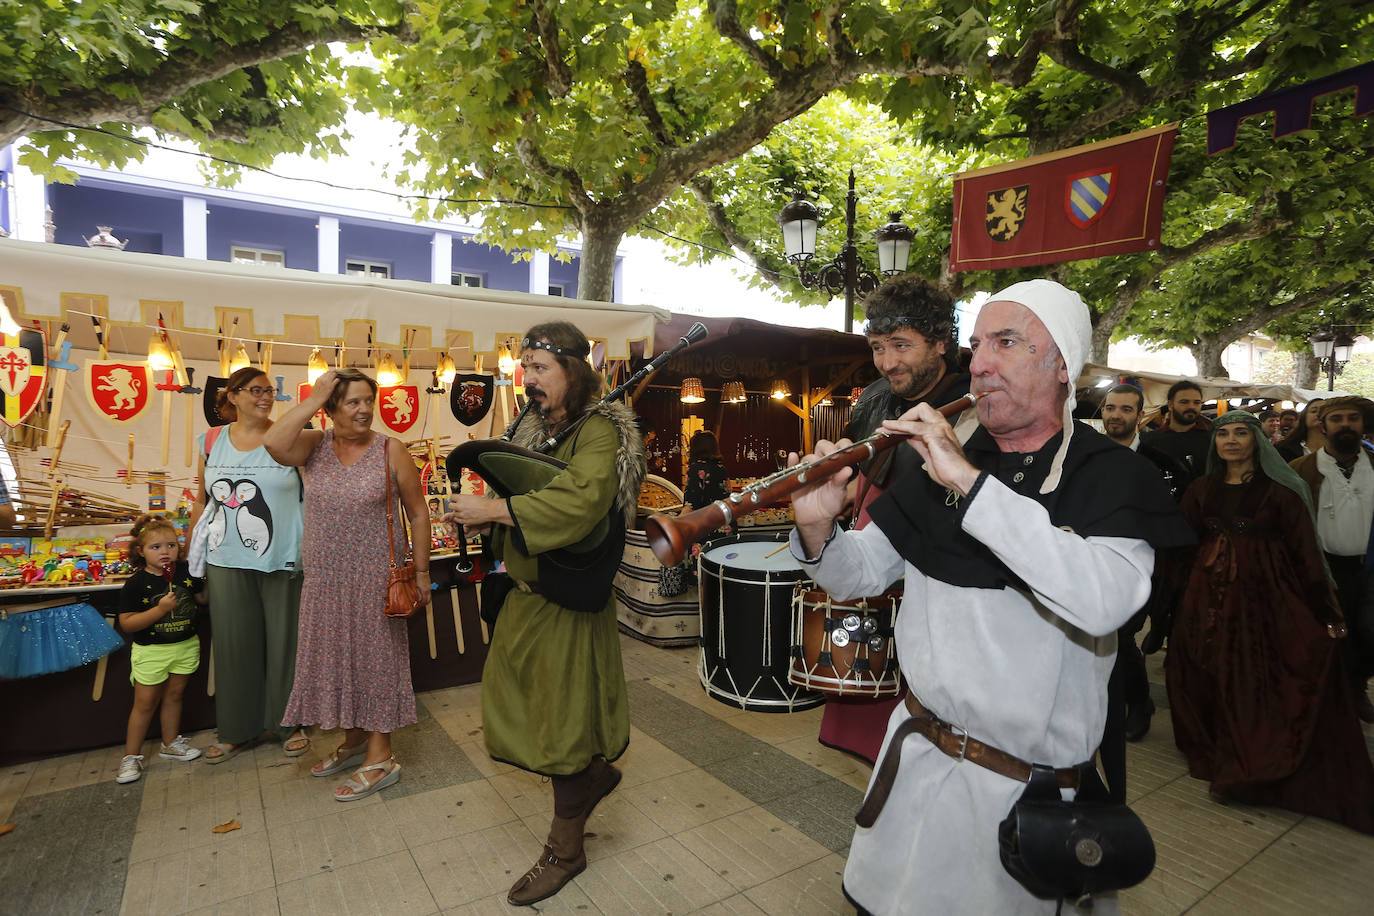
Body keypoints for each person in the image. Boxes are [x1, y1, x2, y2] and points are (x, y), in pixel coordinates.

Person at [789, 280, 1191, 913]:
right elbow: (859, 574)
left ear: (1063, 365)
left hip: (1022, 803)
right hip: (917, 765)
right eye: (977, 344)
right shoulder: (947, 463)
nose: (978, 362)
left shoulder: (1115, 475)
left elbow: (1103, 601)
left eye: (1006, 342)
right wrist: (818, 526)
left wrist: (971, 485)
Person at [443, 321, 646, 907]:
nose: (526, 379)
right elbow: (522, 486)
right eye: (523, 366)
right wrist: (491, 516)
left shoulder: (602, 430)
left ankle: (566, 849)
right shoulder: (532, 426)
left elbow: (581, 503)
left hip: (566, 599)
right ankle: (595, 775)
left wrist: (499, 508)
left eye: (539, 368)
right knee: (521, 705)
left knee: (559, 721)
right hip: (523, 597)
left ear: (573, 371)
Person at [1167, 410, 1374, 833]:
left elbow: (1306, 555)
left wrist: (1325, 611)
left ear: (1256, 441)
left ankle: (1254, 750)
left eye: (1241, 433)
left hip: (1266, 600)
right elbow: (1181, 547)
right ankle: (1215, 740)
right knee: (1205, 669)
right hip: (1206, 600)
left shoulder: (1282, 493)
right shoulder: (1201, 489)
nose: (1231, 440)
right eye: (1223, 433)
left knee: (1254, 674)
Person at [824, 275, 972, 765]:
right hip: (870, 559)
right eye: (878, 347)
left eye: (901, 345)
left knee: (921, 732)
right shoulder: (874, 397)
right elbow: (861, 467)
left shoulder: (971, 406)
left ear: (940, 341)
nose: (888, 362)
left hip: (929, 571)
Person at [266, 368, 430, 801]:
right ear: (331, 408)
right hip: (325, 579)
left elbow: (417, 512)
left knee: (376, 665)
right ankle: (356, 741)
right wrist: (313, 398)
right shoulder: (314, 445)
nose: (363, 409)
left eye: (367, 401)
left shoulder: (390, 449)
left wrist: (423, 572)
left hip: (376, 579)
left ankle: (381, 757)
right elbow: (274, 443)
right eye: (352, 401)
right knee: (337, 659)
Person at [190, 365, 308, 765]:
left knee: (284, 643)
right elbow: (201, 503)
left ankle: (288, 723)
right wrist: (195, 564)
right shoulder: (210, 441)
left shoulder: (290, 440)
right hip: (225, 558)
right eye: (255, 390)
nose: (265, 397)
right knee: (234, 644)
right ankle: (236, 730)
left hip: (283, 557)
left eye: (270, 391)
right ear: (233, 396)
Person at [1288, 396, 1374, 722]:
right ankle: (1331, 696)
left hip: (1370, 567)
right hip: (1322, 568)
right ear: (1323, 426)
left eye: (1353, 418)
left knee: (1369, 634)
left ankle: (1356, 686)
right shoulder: (1299, 470)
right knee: (1327, 636)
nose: (1346, 424)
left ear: (1362, 424)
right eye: (1337, 419)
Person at [115, 515, 207, 784]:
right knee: (144, 704)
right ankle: (130, 756)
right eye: (156, 547)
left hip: (186, 646)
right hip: (152, 651)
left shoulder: (185, 574)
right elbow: (128, 623)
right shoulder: (135, 584)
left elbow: (202, 598)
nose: (165, 552)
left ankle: (170, 744)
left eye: (171, 545)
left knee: (175, 696)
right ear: (140, 552)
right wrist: (161, 609)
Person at [1140, 381, 1211, 488]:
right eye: (1184, 402)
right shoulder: (1149, 441)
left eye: (1196, 402)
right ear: (1170, 405)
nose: (1191, 407)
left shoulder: (1212, 439)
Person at [683, 430, 730, 510]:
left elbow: (691, 502)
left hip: (704, 519)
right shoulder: (722, 469)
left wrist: (677, 521)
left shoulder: (695, 469)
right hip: (722, 517)